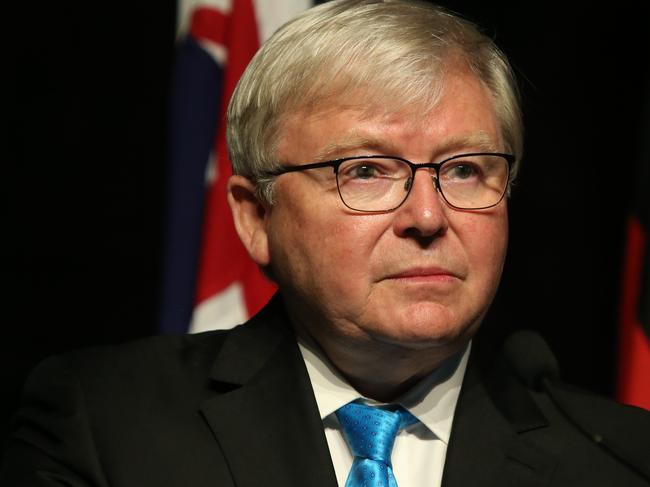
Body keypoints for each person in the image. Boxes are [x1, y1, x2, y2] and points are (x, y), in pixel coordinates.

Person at [2, 1, 649, 486]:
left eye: (463, 169)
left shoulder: (618, 457)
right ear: (256, 217)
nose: (427, 215)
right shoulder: (105, 425)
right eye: (366, 170)